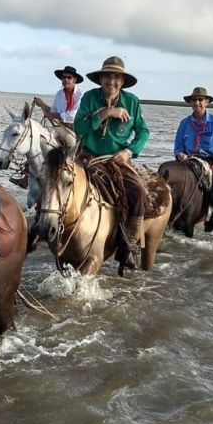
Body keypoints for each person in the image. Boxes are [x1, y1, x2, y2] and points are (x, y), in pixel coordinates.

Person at [74, 56, 150, 270]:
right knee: (60, 182)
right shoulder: (89, 98)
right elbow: (79, 128)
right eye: (108, 76)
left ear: (122, 81)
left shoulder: (132, 102)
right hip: (87, 155)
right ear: (101, 79)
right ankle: (49, 230)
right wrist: (107, 112)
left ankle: (128, 247)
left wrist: (129, 151)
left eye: (116, 77)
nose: (111, 81)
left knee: (138, 192)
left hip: (116, 158)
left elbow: (143, 131)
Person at [173, 87, 213, 231]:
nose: (197, 103)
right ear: (190, 103)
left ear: (207, 103)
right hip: (188, 159)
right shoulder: (184, 123)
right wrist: (180, 154)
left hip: (210, 159)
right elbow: (178, 145)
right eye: (194, 100)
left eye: (200, 100)